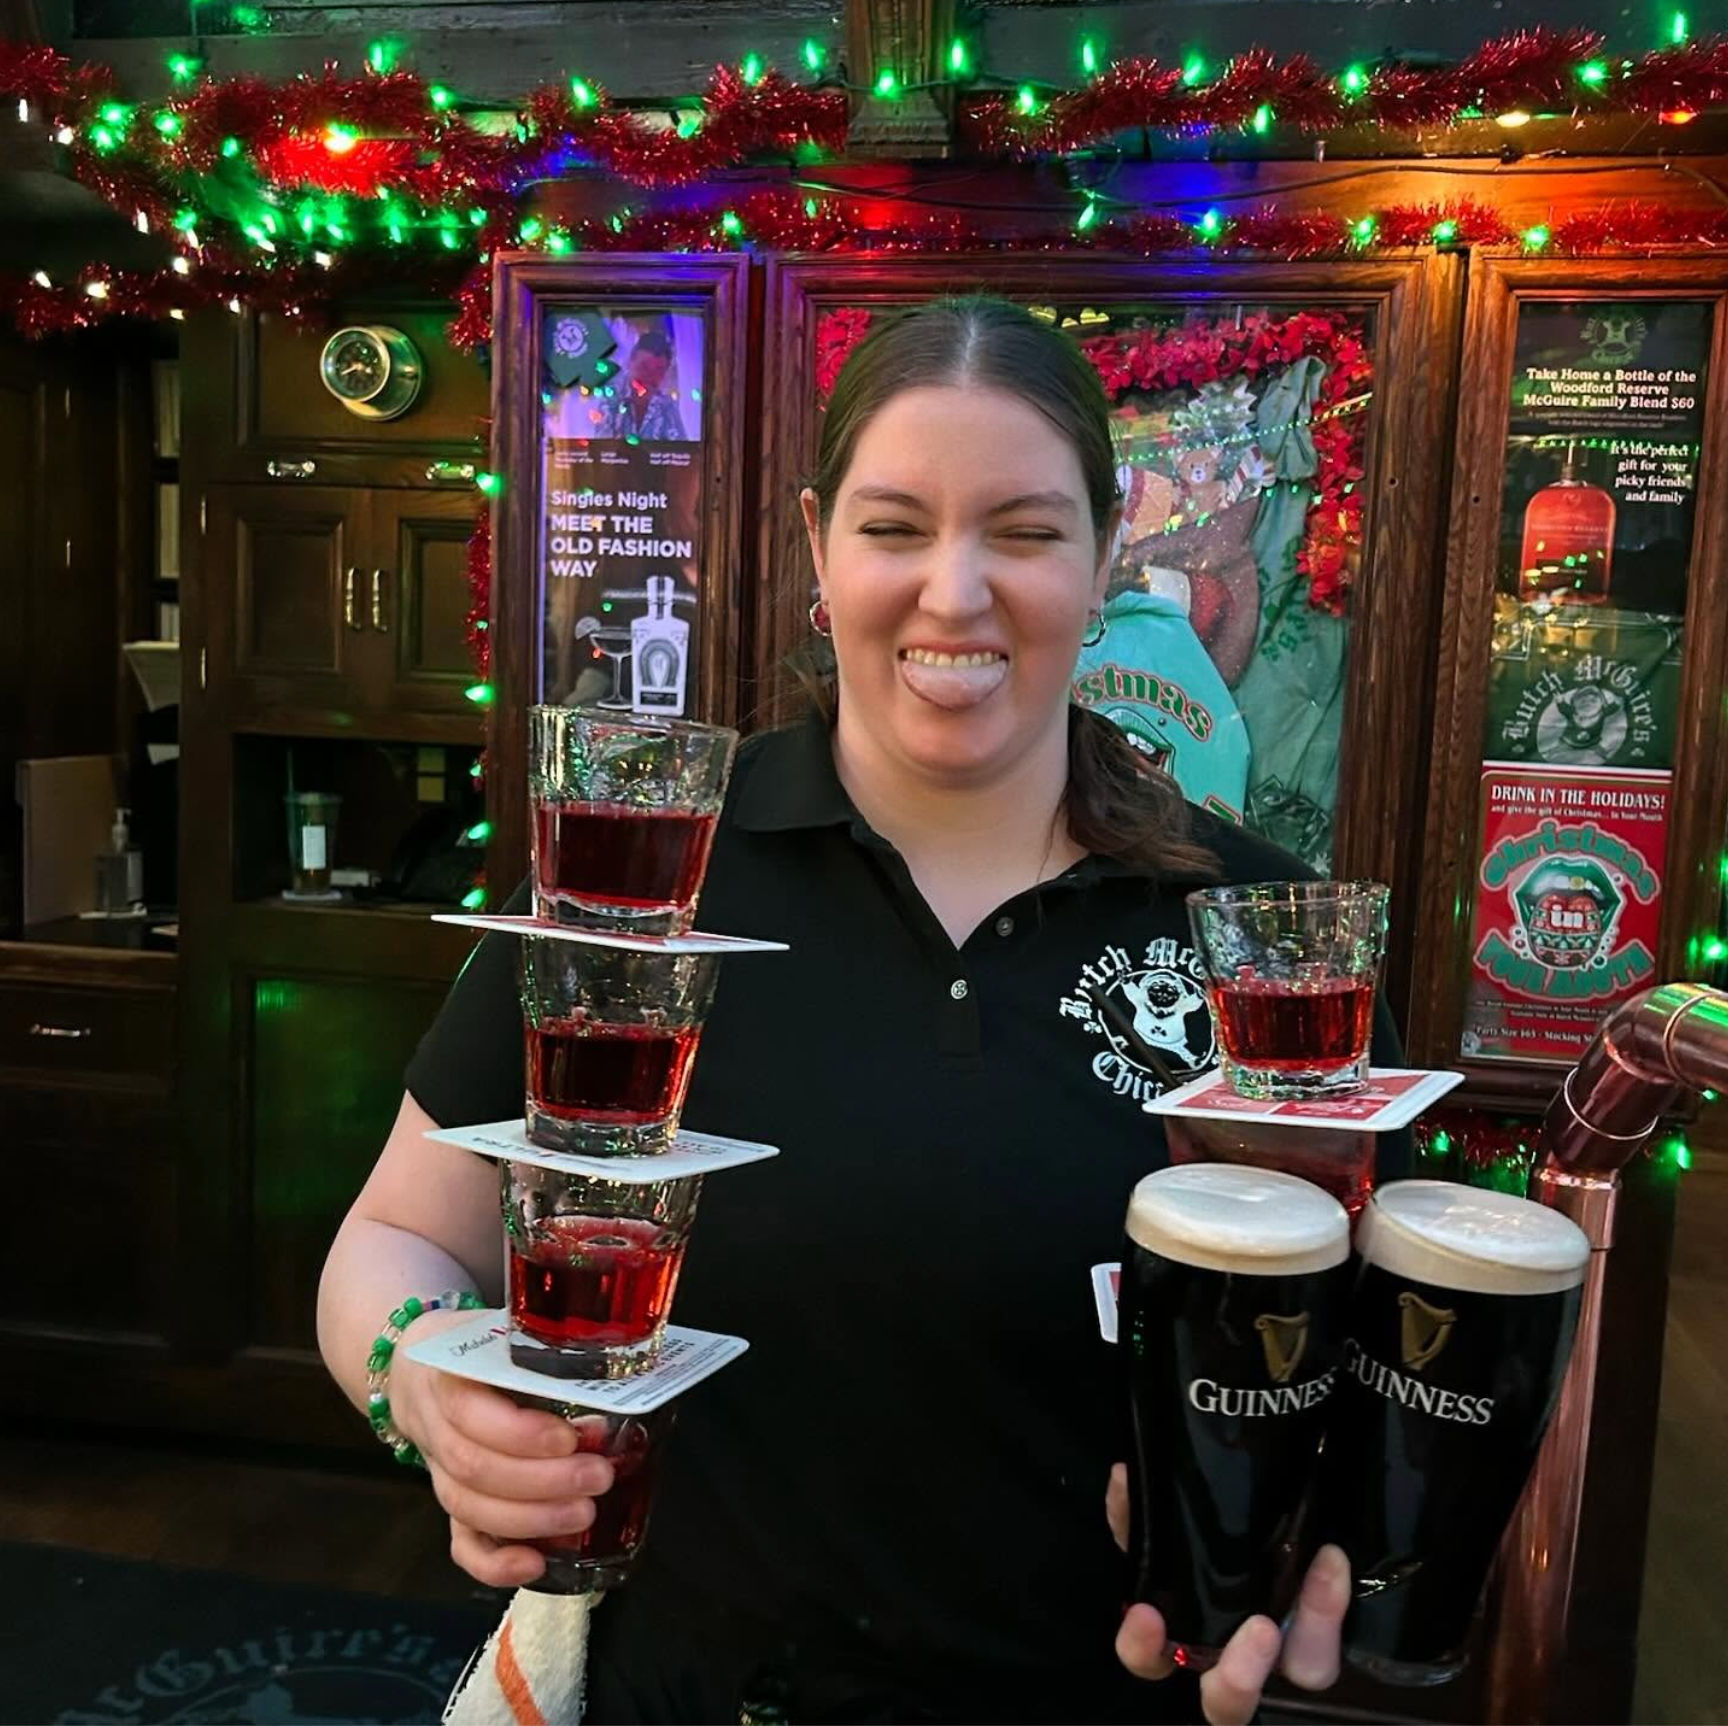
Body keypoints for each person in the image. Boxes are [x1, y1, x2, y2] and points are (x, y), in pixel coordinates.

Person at [318, 297, 1406, 1725]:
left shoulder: (1255, 938)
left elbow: (1359, 1336)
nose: (954, 592)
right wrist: (426, 1387)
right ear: (822, 547)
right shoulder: (640, 877)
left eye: (1023, 530)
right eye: (895, 527)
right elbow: (395, 1235)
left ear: (1103, 556)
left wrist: (1321, 1480)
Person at [600, 328, 686, 441]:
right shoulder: (610, 395)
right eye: (643, 367)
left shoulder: (668, 406)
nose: (650, 376)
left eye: (659, 370)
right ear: (630, 362)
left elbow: (680, 451)